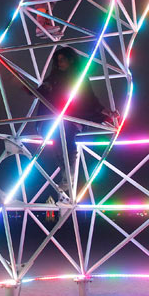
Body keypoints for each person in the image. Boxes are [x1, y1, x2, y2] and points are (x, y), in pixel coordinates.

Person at [34, 47, 118, 193]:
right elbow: (40, 92)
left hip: (73, 117)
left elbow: (90, 99)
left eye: (62, 59)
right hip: (54, 117)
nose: (59, 63)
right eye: (58, 60)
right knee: (56, 141)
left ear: (70, 60)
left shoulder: (79, 78)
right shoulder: (53, 79)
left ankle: (69, 174)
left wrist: (106, 112)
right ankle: (67, 174)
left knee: (65, 136)